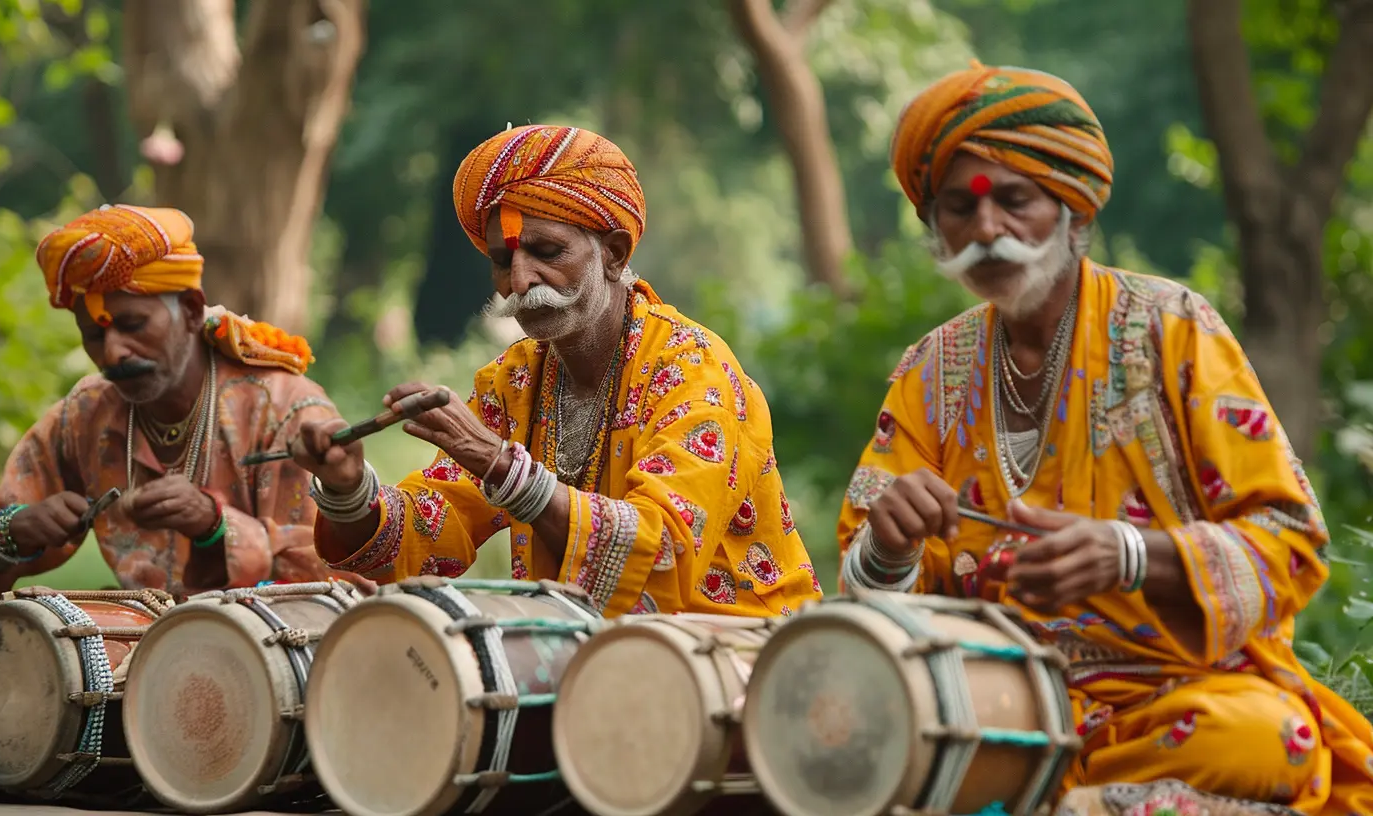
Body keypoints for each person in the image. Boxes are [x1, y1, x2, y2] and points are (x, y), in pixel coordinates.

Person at [837, 61, 1373, 813]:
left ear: (1072, 210)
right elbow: (864, 602)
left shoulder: (1172, 328)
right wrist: (888, 549)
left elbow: (1290, 541)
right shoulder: (929, 370)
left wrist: (1128, 556)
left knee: (1268, 736)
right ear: (936, 228)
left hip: (1176, 701)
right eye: (959, 207)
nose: (986, 230)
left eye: (1013, 200)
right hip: (995, 706)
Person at [291, 124, 822, 617]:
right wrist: (349, 491)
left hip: (743, 657)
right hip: (589, 650)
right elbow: (433, 532)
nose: (521, 281)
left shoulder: (692, 368)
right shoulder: (513, 380)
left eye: (547, 251)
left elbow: (660, 550)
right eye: (503, 261)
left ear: (614, 254)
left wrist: (502, 467)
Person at [0, 204, 368, 608]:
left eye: (132, 324)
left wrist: (216, 526)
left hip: (265, 653)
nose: (113, 352)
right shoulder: (87, 414)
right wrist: (11, 531)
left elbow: (345, 584)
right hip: (139, 647)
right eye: (94, 335)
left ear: (191, 311)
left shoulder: (285, 409)